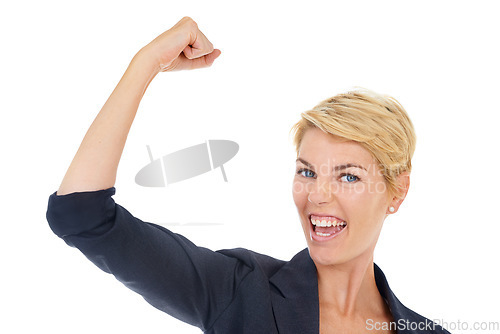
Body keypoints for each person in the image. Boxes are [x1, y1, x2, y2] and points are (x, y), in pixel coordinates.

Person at [46, 17, 451, 333]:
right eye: (307, 171)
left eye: (348, 177)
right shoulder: (240, 293)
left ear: (397, 190)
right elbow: (81, 215)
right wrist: (145, 64)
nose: (318, 195)